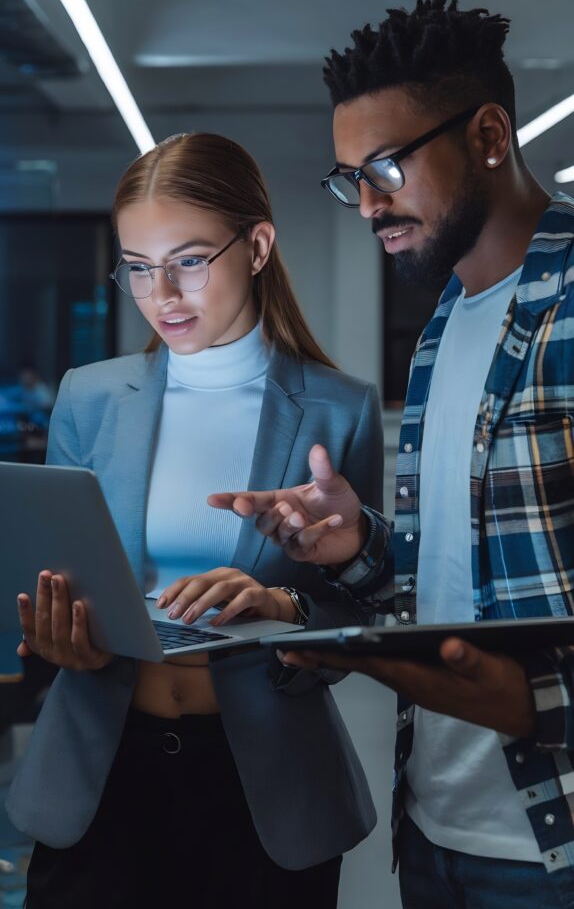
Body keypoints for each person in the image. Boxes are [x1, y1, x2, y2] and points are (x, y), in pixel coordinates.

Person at [208, 0, 574, 908]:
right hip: (438, 830)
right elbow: (462, 584)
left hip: (550, 845)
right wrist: (361, 547)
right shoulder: (445, 325)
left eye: (385, 168)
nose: (368, 204)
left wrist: (527, 700)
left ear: (489, 134)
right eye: (349, 178)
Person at [7, 132, 383, 909]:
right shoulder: (90, 396)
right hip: (100, 773)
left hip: (267, 787)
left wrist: (284, 607)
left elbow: (364, 614)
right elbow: (57, 572)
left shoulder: (340, 409)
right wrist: (56, 638)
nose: (162, 295)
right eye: (138, 268)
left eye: (188, 260)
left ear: (257, 247)